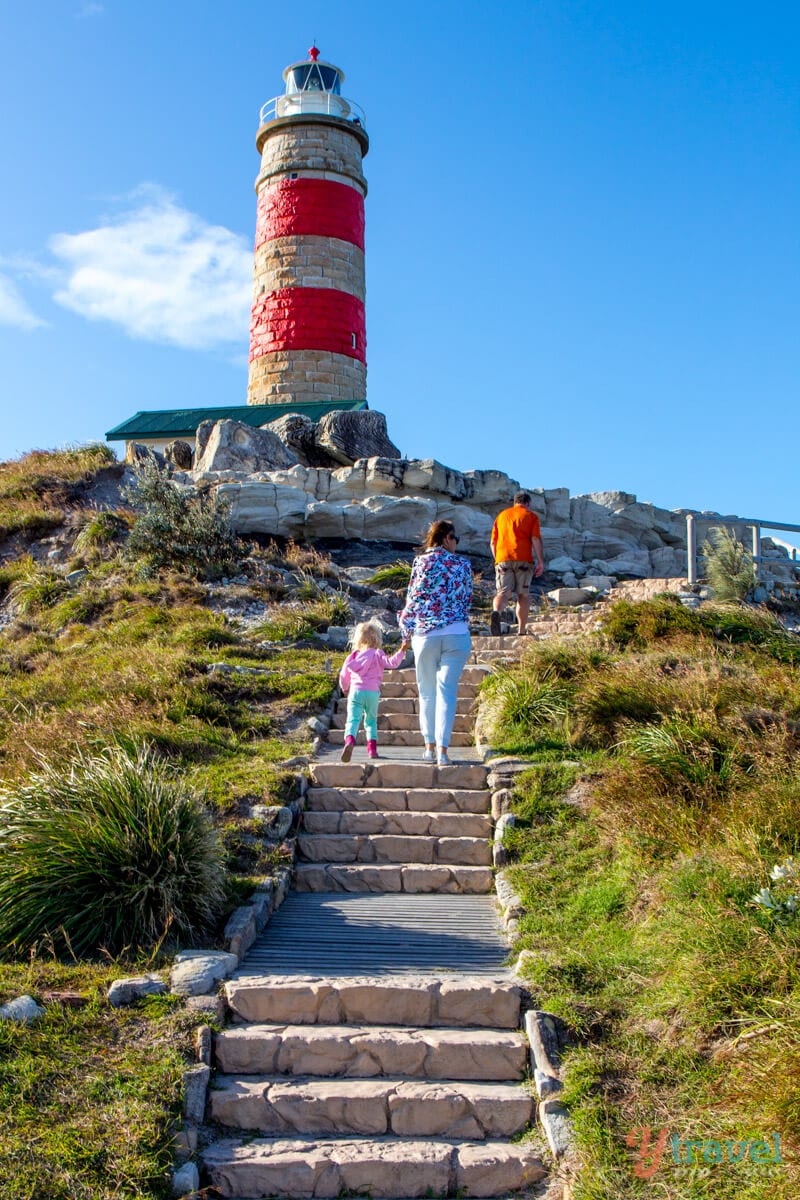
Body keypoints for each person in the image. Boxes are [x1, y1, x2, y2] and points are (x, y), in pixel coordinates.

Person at [398, 520, 473, 766]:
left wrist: (406, 631)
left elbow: (413, 597)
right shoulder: (463, 564)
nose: (457, 543)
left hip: (425, 634)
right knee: (447, 693)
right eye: (455, 538)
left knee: (427, 693)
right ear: (445, 539)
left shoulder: (422, 562)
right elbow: (466, 598)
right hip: (456, 632)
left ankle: (429, 748)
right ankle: (443, 752)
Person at [338, 621, 410, 762]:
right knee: (370, 721)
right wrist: (402, 650)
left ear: (358, 639)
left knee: (352, 720)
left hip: (356, 691)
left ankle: (350, 741)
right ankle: (372, 750)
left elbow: (343, 675)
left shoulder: (353, 657)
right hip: (372, 692)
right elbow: (392, 663)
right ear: (377, 638)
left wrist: (345, 688)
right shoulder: (378, 654)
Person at [490, 491, 545, 636]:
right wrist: (540, 561)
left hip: (503, 559)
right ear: (528, 503)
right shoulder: (531, 516)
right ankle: (521, 630)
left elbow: (493, 542)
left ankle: (497, 612)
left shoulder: (501, 516)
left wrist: (498, 560)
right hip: (524, 560)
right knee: (523, 595)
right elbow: (535, 540)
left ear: (514, 502)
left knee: (503, 592)